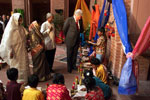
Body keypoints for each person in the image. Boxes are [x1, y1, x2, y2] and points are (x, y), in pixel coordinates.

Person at [0, 13, 30, 83]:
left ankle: (25, 79)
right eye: (19, 19)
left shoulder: (21, 28)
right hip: (15, 51)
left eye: (21, 19)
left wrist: (26, 43)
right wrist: (10, 51)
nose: (20, 20)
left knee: (24, 63)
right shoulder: (11, 30)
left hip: (22, 49)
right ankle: (17, 80)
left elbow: (25, 37)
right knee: (17, 65)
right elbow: (8, 42)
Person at [63, 9, 83, 73]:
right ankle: (69, 68)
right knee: (69, 54)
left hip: (77, 40)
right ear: (76, 15)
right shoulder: (69, 20)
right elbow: (64, 30)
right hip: (70, 40)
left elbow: (81, 30)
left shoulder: (80, 21)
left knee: (75, 54)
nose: (80, 17)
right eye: (79, 16)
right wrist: (68, 37)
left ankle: (74, 66)